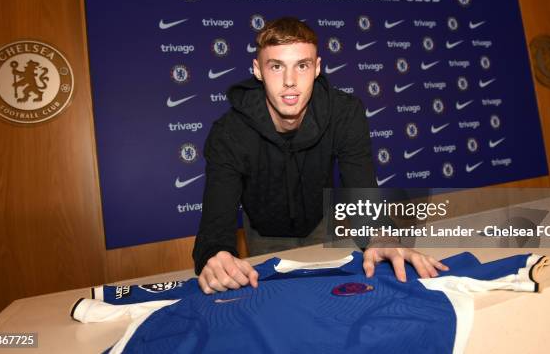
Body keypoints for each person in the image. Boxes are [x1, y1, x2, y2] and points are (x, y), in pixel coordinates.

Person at [192, 17, 448, 294]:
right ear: (258, 70)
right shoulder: (229, 132)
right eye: (276, 66)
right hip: (264, 231)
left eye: (302, 65)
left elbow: (362, 193)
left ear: (317, 68)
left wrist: (381, 237)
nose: (290, 82)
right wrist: (215, 254)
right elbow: (216, 221)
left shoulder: (344, 113)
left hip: (320, 224)